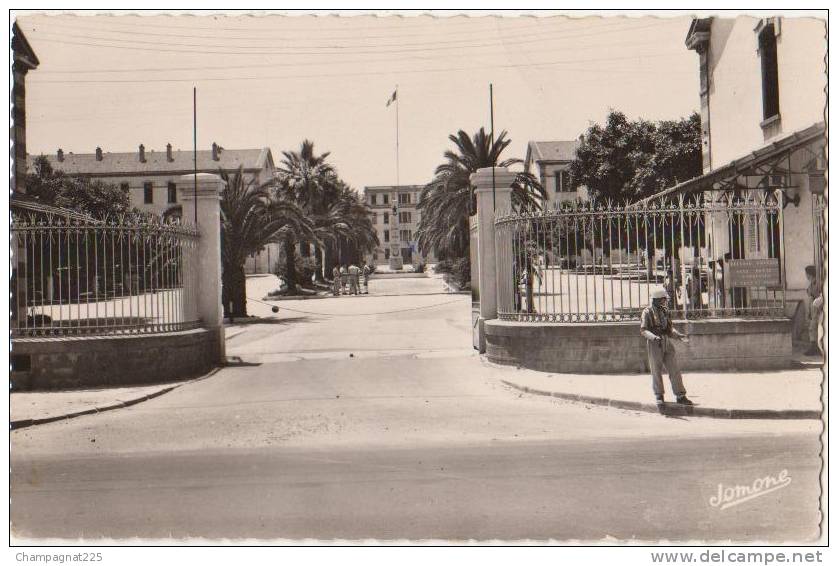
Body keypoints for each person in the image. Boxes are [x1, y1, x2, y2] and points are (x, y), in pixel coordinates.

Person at [640, 286, 693, 408]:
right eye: (663, 299)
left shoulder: (664, 311)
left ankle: (680, 395)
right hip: (654, 343)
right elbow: (643, 330)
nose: (665, 301)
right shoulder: (647, 312)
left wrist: (678, 335)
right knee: (656, 370)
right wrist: (653, 337)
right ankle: (659, 395)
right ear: (657, 300)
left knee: (674, 369)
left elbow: (669, 329)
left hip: (666, 341)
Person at [805, 265, 823, 356]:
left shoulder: (820, 283)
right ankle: (814, 347)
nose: (806, 276)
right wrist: (809, 312)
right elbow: (810, 298)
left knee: (821, 328)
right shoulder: (811, 285)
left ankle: (820, 348)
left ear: (810, 274)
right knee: (812, 328)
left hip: (821, 310)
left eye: (807, 274)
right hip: (814, 311)